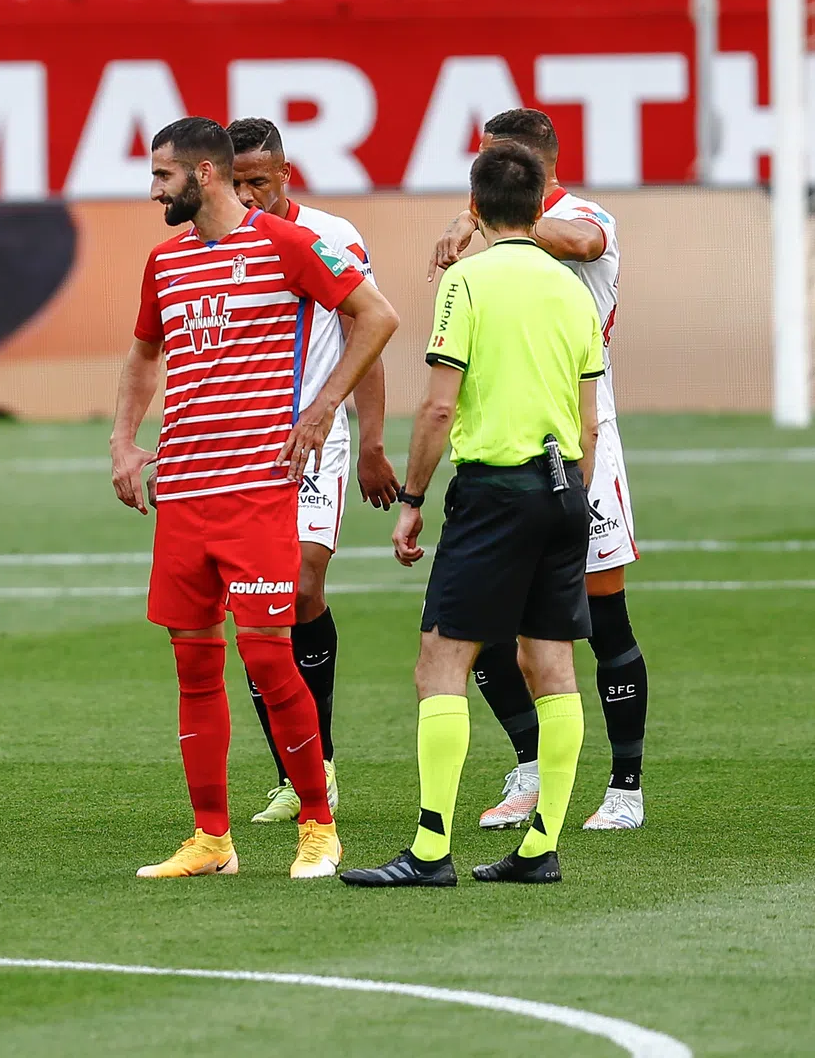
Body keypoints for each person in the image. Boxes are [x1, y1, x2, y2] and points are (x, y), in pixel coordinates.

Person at [110, 117, 399, 880]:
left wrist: (325, 406)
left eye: (163, 175)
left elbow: (376, 315)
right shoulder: (164, 262)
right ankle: (211, 838)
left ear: (202, 173)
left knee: (269, 657)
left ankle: (318, 825)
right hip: (182, 492)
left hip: (257, 490)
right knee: (193, 667)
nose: (153, 189)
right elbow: (144, 351)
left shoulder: (288, 244)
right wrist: (123, 439)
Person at [342, 141, 603, 889]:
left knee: (440, 660)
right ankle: (541, 846)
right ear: (540, 205)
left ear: (476, 206)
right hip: (565, 488)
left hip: (496, 492)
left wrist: (413, 500)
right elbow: (589, 422)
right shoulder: (571, 291)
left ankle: (429, 851)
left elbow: (437, 406)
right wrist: (570, 495)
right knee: (552, 665)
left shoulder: (466, 281)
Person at [431, 109, 648, 832]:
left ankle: (624, 787)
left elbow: (582, 243)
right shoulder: (488, 242)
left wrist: (482, 219)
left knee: (602, 616)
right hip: (502, 446)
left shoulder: (586, 217)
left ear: (533, 161)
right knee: (484, 624)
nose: (484, 175)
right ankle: (529, 766)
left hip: (584, 440)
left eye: (495, 162)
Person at [228, 117, 400, 825]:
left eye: (257, 181)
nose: (247, 196)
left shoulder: (330, 237)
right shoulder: (215, 247)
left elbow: (367, 333)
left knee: (299, 585)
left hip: (313, 443)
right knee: (256, 604)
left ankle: (319, 763)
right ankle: (291, 773)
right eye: (235, 183)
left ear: (285, 173)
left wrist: (371, 442)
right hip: (239, 449)